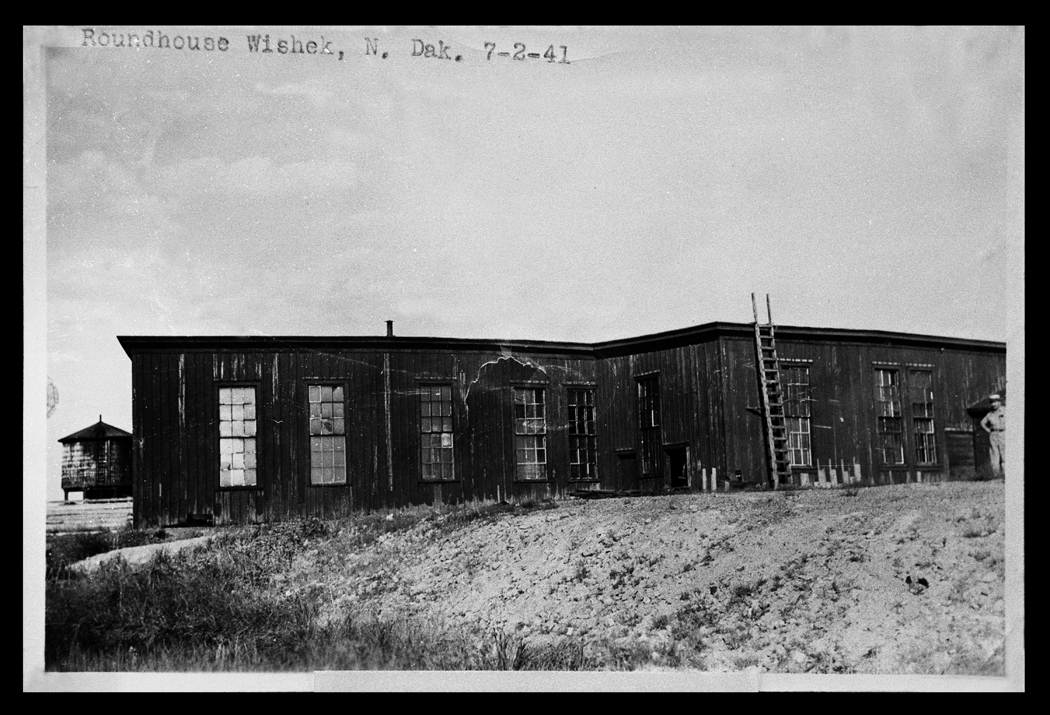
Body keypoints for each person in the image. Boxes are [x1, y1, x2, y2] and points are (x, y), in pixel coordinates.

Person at [980, 393, 1006, 478]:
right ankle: (996, 476)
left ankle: (1006, 475)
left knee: (1005, 455)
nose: (993, 404)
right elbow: (982, 423)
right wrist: (988, 430)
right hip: (993, 435)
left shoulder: (1005, 410)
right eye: (991, 402)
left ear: (999, 402)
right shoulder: (990, 414)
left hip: (1004, 434)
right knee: (994, 455)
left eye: (995, 402)